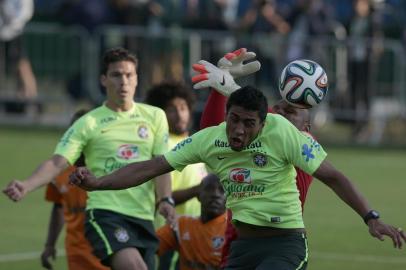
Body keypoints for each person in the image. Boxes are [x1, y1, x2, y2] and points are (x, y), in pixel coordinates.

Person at [70, 85, 405, 270]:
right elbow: (151, 167)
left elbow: (334, 176)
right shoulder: (210, 139)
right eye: (234, 119)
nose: (238, 130)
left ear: (264, 123)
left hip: (284, 245)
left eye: (248, 123)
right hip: (242, 248)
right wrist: (98, 182)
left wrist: (371, 218)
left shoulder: (284, 133)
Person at [3, 47, 175, 270]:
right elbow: (57, 163)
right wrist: (27, 184)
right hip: (105, 214)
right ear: (103, 80)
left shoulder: (155, 116)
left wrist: (165, 200)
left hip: (143, 217)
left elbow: (160, 165)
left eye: (129, 75)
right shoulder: (88, 123)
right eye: (116, 75)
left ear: (136, 79)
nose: (123, 81)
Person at [194, 49, 314, 267]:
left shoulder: (305, 145)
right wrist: (219, 91)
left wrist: (231, 87)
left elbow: (277, 126)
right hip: (239, 240)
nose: (278, 114)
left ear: (306, 128)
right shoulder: (247, 142)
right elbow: (210, 133)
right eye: (276, 109)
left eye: (289, 111)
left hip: (281, 243)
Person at [145, 81, 207, 270]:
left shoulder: (195, 143)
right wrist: (198, 190)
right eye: (171, 109)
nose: (180, 114)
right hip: (170, 233)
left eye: (183, 107)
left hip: (196, 232)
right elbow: (162, 197)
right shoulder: (163, 148)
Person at [40, 109, 109, 270]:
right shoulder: (59, 170)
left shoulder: (109, 167)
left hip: (108, 251)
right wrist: (50, 244)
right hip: (76, 253)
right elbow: (58, 207)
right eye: (77, 130)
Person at [156, 173, 227, 270]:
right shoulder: (181, 225)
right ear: (198, 194)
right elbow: (149, 245)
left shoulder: (235, 230)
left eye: (222, 190)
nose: (215, 194)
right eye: (209, 188)